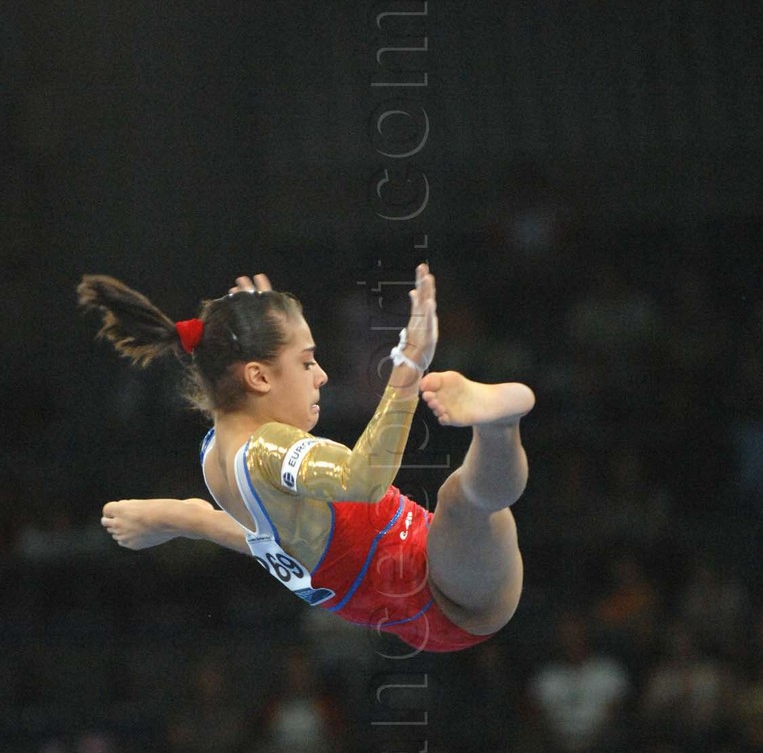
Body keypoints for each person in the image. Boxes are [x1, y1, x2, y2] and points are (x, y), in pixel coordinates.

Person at [80, 265, 534, 652]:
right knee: (461, 500)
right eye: (306, 362)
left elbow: (264, 542)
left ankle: (498, 423)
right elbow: (365, 478)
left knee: (465, 502)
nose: (322, 376)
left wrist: (179, 517)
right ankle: (499, 427)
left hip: (432, 598)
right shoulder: (267, 450)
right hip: (449, 594)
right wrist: (410, 364)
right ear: (259, 377)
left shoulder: (215, 455)